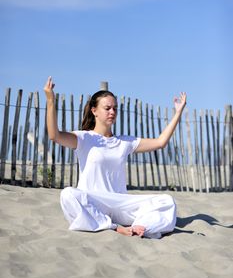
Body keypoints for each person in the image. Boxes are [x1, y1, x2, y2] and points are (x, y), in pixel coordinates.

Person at [44, 76, 187, 239]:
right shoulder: (84, 138)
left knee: (167, 201)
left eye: (115, 108)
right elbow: (54, 136)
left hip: (121, 204)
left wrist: (178, 112)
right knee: (68, 194)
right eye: (107, 108)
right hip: (95, 202)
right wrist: (50, 100)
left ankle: (141, 227)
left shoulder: (124, 142)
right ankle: (112, 226)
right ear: (94, 110)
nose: (112, 112)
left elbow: (160, 142)